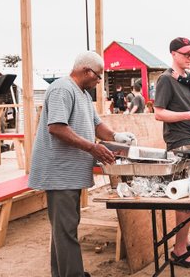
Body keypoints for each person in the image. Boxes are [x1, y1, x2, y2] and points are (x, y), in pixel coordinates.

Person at [28, 51, 137, 277]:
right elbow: (56, 127)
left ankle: (64, 273)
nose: (99, 81)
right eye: (98, 76)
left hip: (70, 171)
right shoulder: (62, 89)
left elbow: (97, 124)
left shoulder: (83, 95)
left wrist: (115, 136)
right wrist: (92, 147)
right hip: (60, 172)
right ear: (87, 71)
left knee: (64, 229)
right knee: (66, 229)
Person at [154, 37, 190, 269]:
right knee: (186, 197)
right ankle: (178, 250)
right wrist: (189, 116)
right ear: (174, 54)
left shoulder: (188, 79)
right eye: (186, 53)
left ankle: (184, 242)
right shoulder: (166, 79)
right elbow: (159, 113)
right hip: (180, 143)